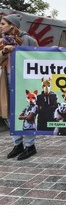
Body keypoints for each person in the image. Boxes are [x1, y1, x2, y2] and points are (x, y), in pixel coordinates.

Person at [0, 14, 38, 160]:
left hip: (24, 81)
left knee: (26, 111)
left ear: (12, 25)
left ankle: (30, 145)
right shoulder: (2, 41)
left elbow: (38, 58)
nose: (1, 26)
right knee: (10, 112)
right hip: (7, 79)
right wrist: (4, 51)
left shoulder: (28, 40)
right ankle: (17, 144)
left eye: (3, 23)